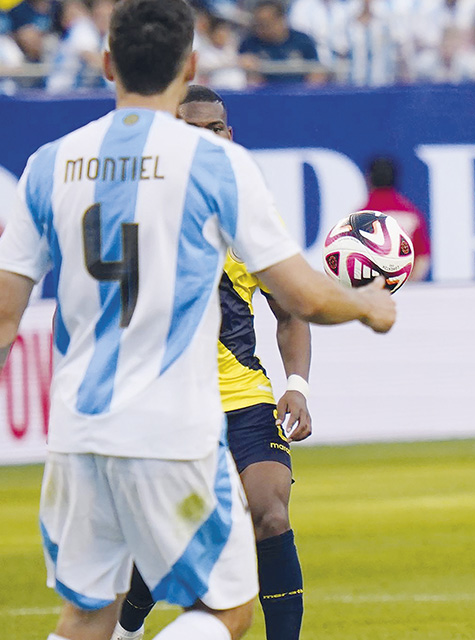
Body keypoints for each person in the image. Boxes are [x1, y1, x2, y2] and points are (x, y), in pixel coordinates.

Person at [0, 2, 395, 640]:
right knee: (224, 610)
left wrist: (296, 384)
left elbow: (2, 314)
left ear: (106, 64)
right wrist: (370, 304)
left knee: (85, 618)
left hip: (81, 421)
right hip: (173, 416)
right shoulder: (215, 170)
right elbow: (307, 298)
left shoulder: (51, 163)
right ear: (188, 66)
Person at [110, 84, 315, 640]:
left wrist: (296, 383)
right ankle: (127, 626)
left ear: (231, 135)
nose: (205, 140)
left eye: (215, 129)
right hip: (165, 405)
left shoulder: (250, 218)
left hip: (245, 401)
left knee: (269, 511)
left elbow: (291, 312)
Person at [361, 156, 431, 282]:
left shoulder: (360, 215)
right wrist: (408, 285)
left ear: (368, 179)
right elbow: (422, 257)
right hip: (404, 286)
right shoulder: (411, 213)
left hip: (372, 290)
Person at [238, 0, 326, 86]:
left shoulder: (302, 40)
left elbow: (316, 71)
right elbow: (245, 78)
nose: (263, 29)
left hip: (299, 92)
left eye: (267, 24)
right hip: (264, 95)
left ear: (281, 19)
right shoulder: (249, 44)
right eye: (259, 24)